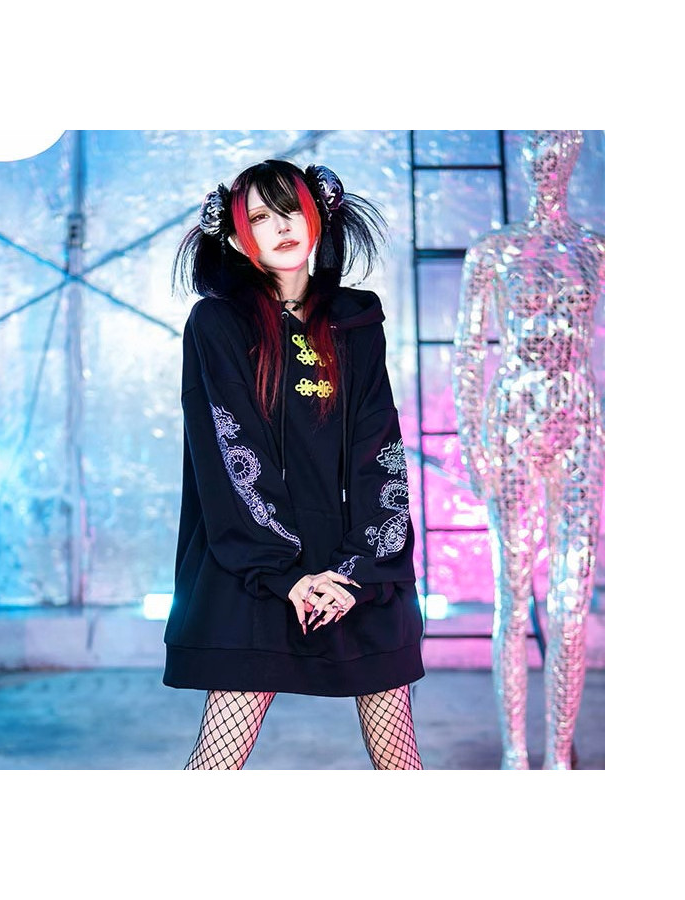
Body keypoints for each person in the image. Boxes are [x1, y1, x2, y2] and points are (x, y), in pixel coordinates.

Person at [163, 159, 425, 769]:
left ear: (317, 217)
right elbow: (230, 453)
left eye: (290, 210)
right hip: (252, 563)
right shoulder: (217, 323)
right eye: (260, 216)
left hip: (351, 565)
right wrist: (285, 574)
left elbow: (379, 450)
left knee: (401, 763)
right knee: (216, 765)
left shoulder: (358, 319)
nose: (281, 226)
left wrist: (356, 570)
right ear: (236, 238)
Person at [453, 131, 605, 769]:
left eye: (560, 140)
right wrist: (471, 442)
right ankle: (517, 754)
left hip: (579, 420)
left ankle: (558, 756)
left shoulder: (596, 250)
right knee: (514, 596)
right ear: (524, 154)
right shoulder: (494, 252)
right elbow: (468, 351)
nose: (548, 155)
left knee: (571, 599)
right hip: (514, 419)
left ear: (575, 152)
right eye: (538, 141)